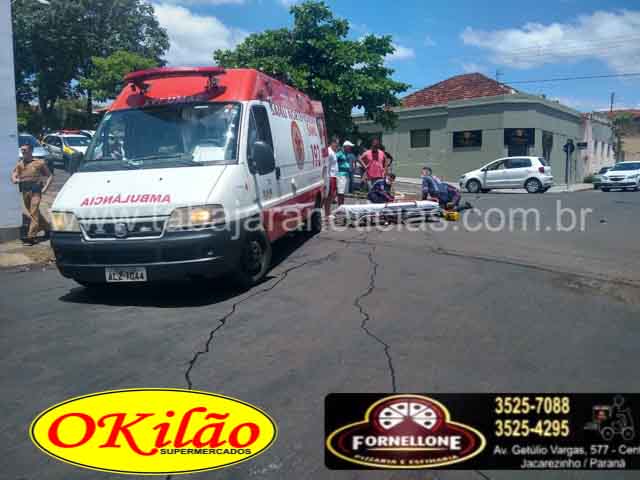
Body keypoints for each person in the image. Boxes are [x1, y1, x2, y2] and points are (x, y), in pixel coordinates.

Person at [11, 144, 53, 245]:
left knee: (33, 212)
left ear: (31, 151)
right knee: (33, 212)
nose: (23, 151)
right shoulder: (20, 164)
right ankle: (48, 228)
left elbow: (50, 176)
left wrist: (45, 188)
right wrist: (14, 179)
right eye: (22, 150)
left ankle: (31, 236)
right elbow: (14, 174)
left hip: (35, 190)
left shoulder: (39, 162)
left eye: (25, 150)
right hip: (25, 191)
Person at [336, 140, 355, 205]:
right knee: (340, 192)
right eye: (349, 147)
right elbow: (334, 161)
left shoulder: (346, 154)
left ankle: (342, 205)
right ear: (346, 147)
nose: (350, 148)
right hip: (341, 174)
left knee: (343, 192)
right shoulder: (340, 153)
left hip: (345, 174)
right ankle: (340, 205)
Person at [324, 138, 339, 216]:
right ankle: (327, 213)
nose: (337, 145)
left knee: (332, 195)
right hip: (330, 176)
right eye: (336, 143)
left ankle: (328, 212)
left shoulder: (333, 152)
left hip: (334, 176)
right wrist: (328, 177)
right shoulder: (329, 152)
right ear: (332, 143)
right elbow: (327, 165)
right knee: (330, 196)